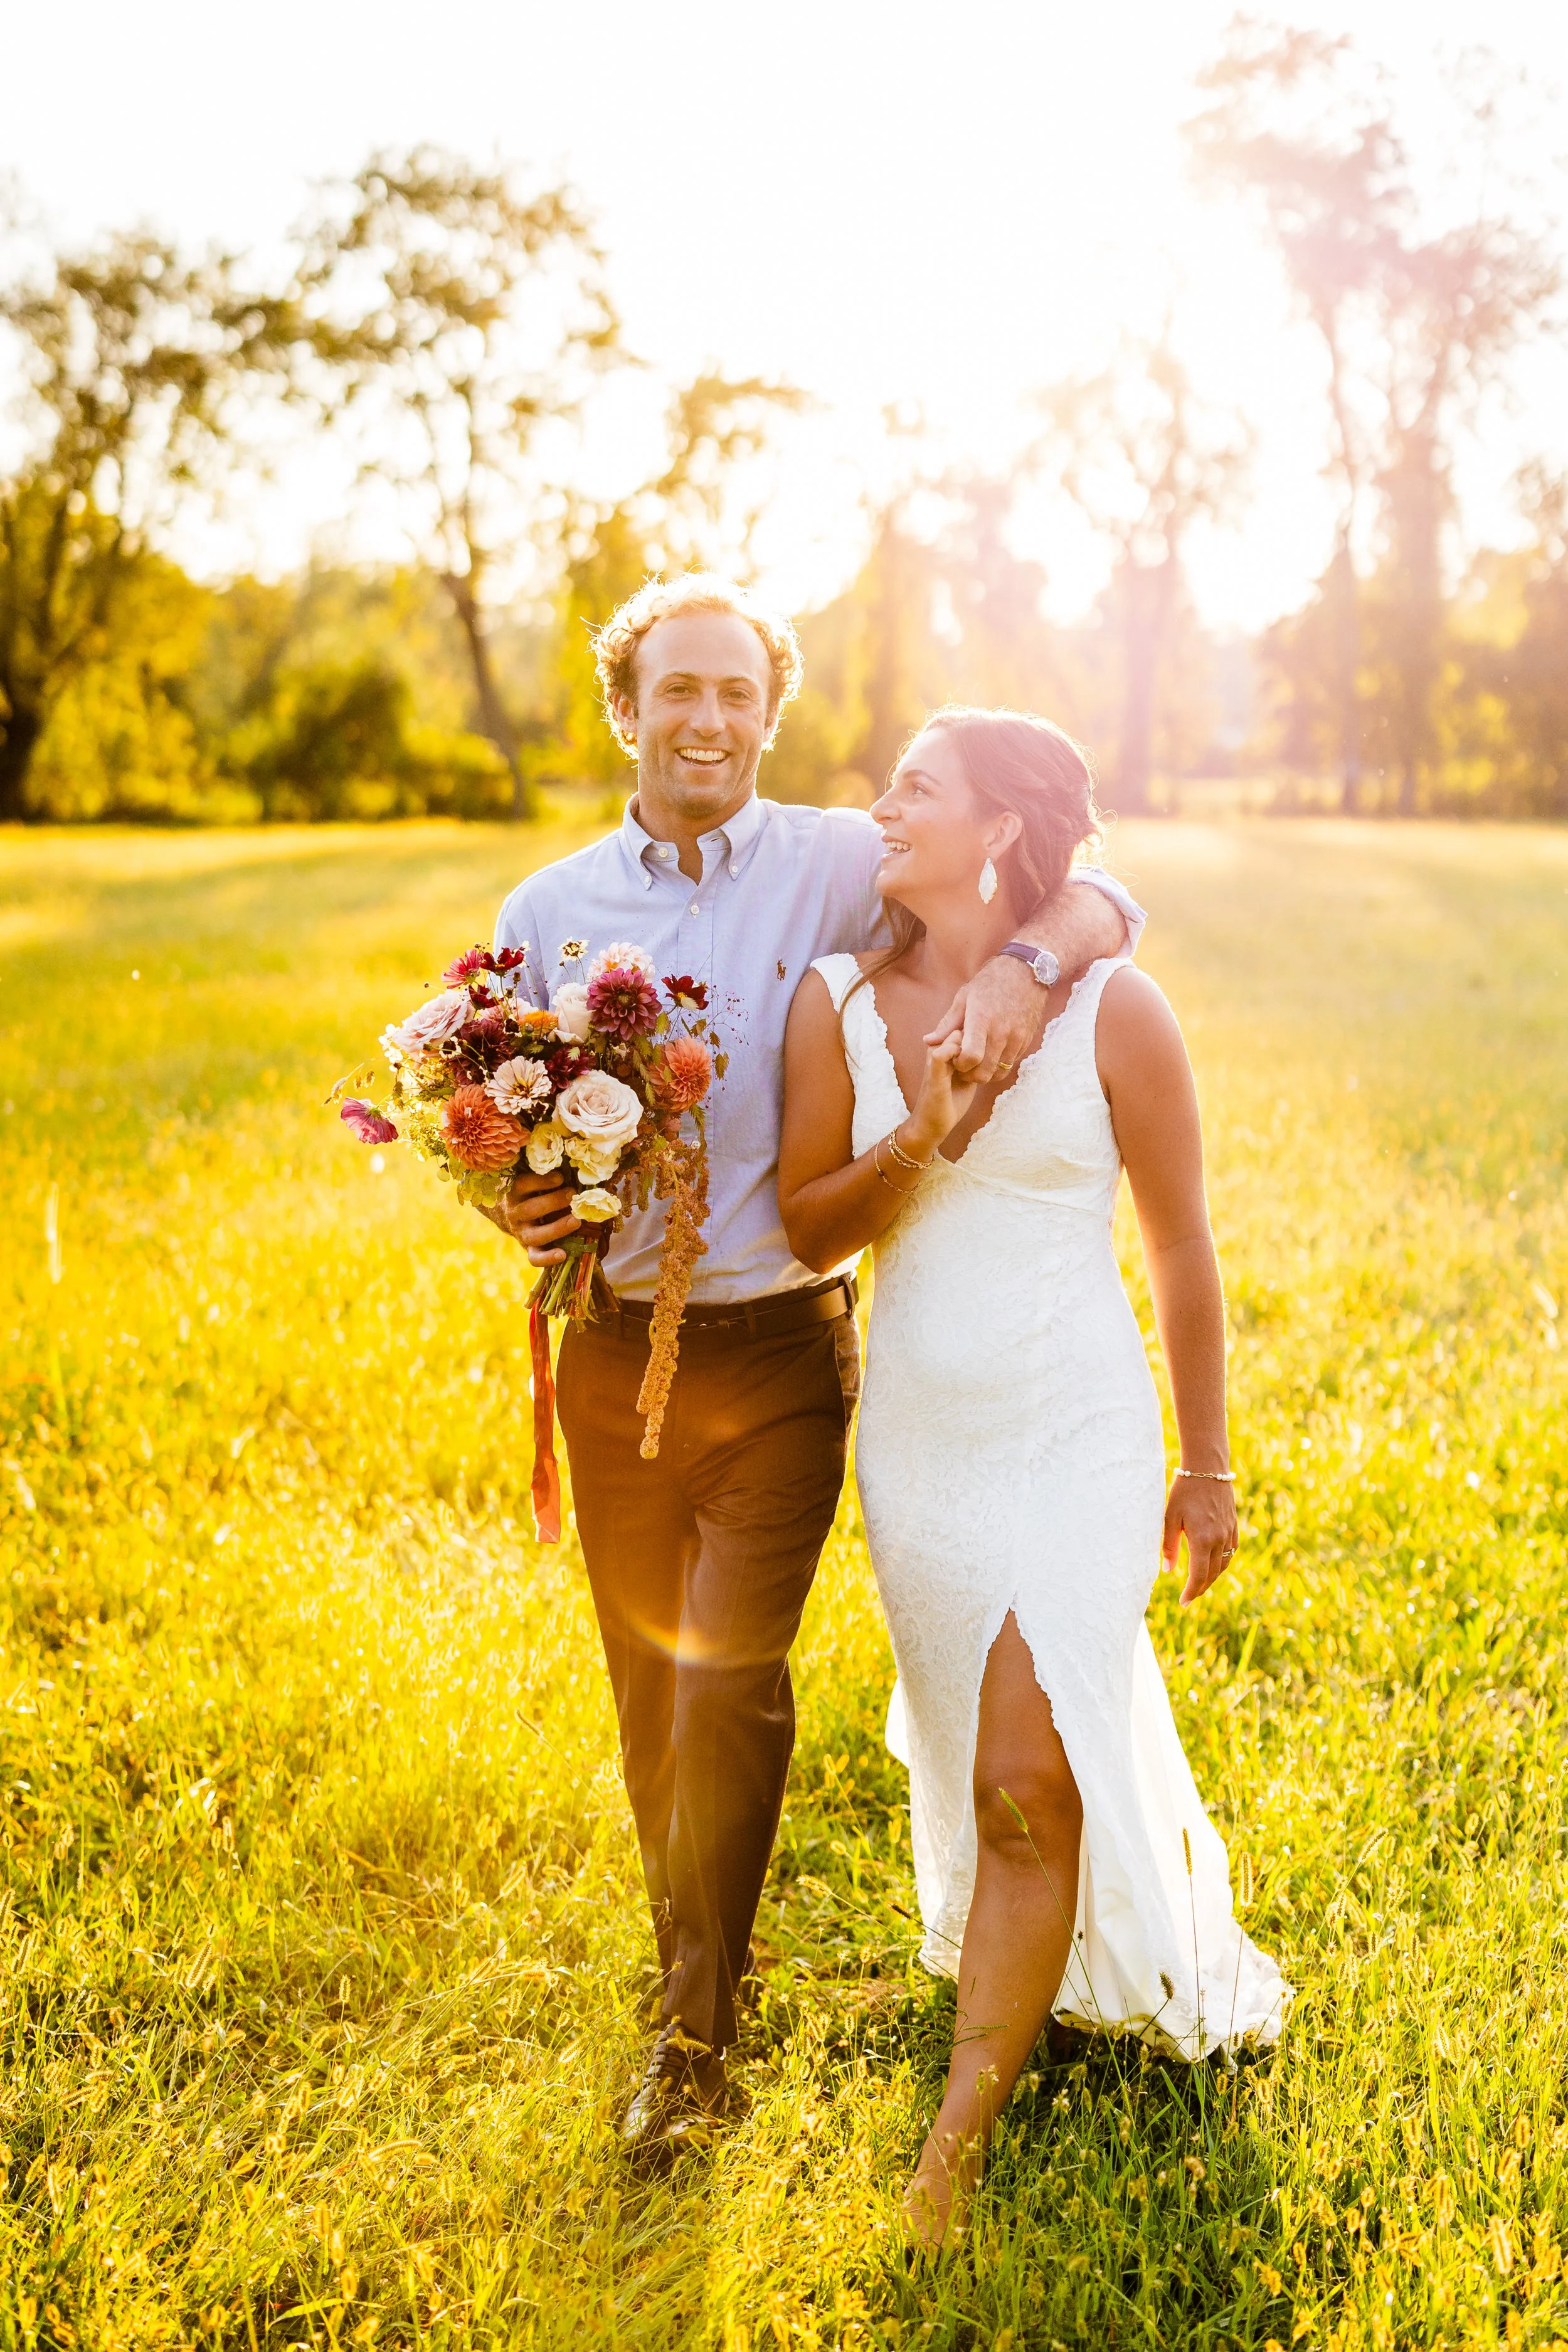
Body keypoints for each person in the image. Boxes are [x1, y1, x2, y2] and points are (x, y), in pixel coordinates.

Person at [485, 576, 1142, 2167]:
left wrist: (1026, 971)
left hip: (779, 1349)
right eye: (674, 690)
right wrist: (515, 1186)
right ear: (623, 706)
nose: (705, 718)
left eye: (734, 691)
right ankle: (700, 1966)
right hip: (605, 1354)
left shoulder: (843, 863)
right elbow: (504, 1131)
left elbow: (1094, 888)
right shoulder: (545, 910)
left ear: (766, 714)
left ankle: (693, 2044)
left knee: (725, 1681)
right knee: (652, 1702)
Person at [777, 704, 1287, 2247]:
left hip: (1077, 1420)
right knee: (983, 1767)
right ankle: (1038, 1967)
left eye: (914, 789)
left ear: (1002, 829)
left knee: (1020, 1772)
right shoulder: (834, 1006)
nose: (880, 807)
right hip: (922, 1437)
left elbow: (1182, 1248)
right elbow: (808, 1228)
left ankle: (949, 2156)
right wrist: (924, 1135)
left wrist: (1204, 1466)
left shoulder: (1115, 1010)